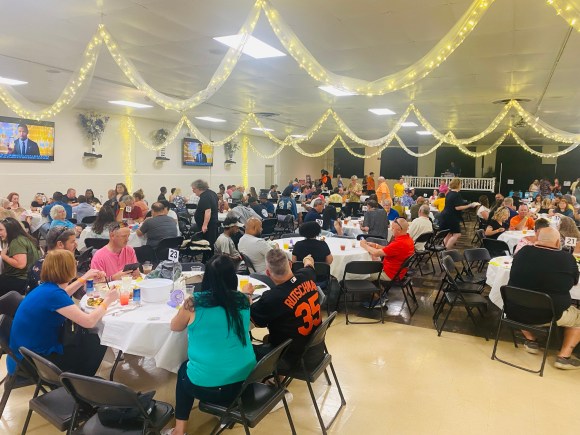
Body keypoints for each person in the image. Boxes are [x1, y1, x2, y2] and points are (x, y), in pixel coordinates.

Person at [166, 255, 256, 435]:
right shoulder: (243, 300)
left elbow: (175, 327)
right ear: (233, 277)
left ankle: (179, 430)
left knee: (184, 370)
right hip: (246, 382)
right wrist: (247, 293)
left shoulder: (193, 303)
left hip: (209, 387)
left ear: (206, 277)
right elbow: (243, 306)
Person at [9, 250, 117, 376]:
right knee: (98, 341)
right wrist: (108, 300)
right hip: (34, 361)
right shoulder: (54, 295)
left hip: (22, 354)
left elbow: (64, 293)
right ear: (68, 269)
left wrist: (84, 278)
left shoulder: (46, 288)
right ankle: (78, 382)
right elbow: (89, 322)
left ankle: (79, 376)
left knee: (87, 338)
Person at [507, 227, 580, 369]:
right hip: (548, 315)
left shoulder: (522, 252)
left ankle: (531, 340)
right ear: (558, 242)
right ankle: (564, 357)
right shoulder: (566, 259)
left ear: (537, 239)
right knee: (578, 317)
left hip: (513, 309)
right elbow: (574, 282)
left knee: (523, 298)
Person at [250, 249, 322, 372]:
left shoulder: (272, 298)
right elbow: (309, 265)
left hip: (289, 358)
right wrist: (307, 259)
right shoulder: (307, 275)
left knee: (246, 351)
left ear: (268, 273)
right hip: (314, 349)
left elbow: (255, 321)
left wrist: (247, 296)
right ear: (290, 264)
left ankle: (273, 376)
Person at [360, 218, 415, 306]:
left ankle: (377, 299)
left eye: (393, 228)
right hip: (399, 271)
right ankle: (381, 291)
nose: (391, 230)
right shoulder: (408, 239)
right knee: (371, 265)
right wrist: (375, 245)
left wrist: (364, 245)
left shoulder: (399, 243)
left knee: (361, 275)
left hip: (390, 273)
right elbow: (390, 250)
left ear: (398, 230)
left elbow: (376, 253)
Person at [28, 226, 79, 291]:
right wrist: (83, 279)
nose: (76, 245)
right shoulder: (42, 268)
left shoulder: (63, 262)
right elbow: (54, 294)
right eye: (72, 242)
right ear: (60, 244)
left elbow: (77, 291)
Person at [0, 217, 41, 295]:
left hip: (21, 279)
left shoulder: (17, 242)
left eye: (1, 230)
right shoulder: (25, 238)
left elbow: (20, 264)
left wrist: (3, 256)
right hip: (31, 278)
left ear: (9, 229)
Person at [438, 178, 479, 249]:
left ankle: (442, 248)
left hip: (445, 215)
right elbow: (457, 207)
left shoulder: (448, 193)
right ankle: (445, 250)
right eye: (460, 184)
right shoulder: (456, 194)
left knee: (449, 234)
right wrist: (470, 205)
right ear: (458, 184)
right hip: (451, 217)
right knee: (457, 234)